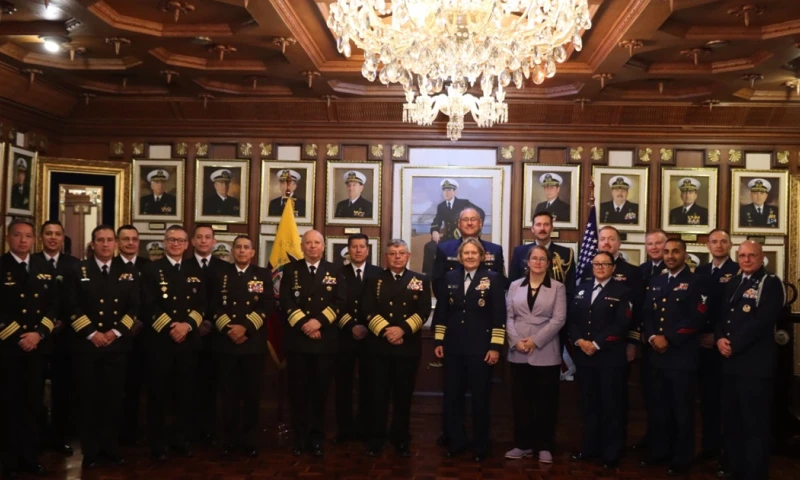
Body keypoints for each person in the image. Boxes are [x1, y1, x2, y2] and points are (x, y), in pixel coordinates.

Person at [66, 224, 139, 470]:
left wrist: (115, 332)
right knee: (89, 400)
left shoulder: (127, 271)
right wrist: (92, 333)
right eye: (101, 240)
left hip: (116, 346)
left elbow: (134, 308)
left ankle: (111, 448)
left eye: (110, 240)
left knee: (113, 399)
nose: (106, 244)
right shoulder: (79, 270)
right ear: (93, 244)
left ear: (116, 244)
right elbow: (71, 307)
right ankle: (91, 451)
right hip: (88, 346)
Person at [431, 206, 506, 445]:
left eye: (475, 253)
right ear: (460, 257)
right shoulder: (451, 278)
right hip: (454, 346)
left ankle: (481, 443)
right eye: (466, 254)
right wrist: (439, 340)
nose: (470, 257)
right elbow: (443, 310)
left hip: (480, 348)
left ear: (482, 256)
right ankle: (455, 440)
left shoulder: (493, 279)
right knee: (452, 396)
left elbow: (498, 314)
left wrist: (495, 346)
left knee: (481, 398)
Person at [715, 240, 783, 480]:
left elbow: (761, 322)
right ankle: (736, 467)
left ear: (761, 256)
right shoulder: (733, 283)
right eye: (742, 255)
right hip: (731, 364)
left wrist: (733, 344)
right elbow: (722, 317)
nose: (746, 260)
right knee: (732, 420)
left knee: (755, 423)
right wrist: (720, 339)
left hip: (755, 366)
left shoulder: (771, 283)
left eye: (751, 255)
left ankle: (755, 472)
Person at [640, 239, 706, 476]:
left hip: (681, 357)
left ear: (684, 254)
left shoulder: (695, 281)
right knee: (658, 408)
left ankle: (682, 458)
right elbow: (646, 314)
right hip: (656, 356)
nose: (669, 256)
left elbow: (696, 318)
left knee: (682, 410)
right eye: (666, 252)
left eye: (675, 251)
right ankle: (660, 452)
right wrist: (651, 337)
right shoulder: (656, 281)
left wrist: (667, 338)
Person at [140, 226, 206, 460]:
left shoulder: (194, 270)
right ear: (164, 243)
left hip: (188, 342)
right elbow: (147, 305)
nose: (176, 244)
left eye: (180, 240)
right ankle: (158, 443)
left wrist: (187, 326)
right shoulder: (151, 269)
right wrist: (172, 327)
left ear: (187, 244)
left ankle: (181, 439)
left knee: (185, 394)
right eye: (171, 240)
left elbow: (202, 304)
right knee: (158, 395)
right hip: (161, 342)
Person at [0, 219, 58, 478]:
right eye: (18, 236)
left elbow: (54, 306)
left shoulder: (44, 267)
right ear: (8, 238)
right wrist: (19, 337)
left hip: (36, 347)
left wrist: (39, 334)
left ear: (34, 240)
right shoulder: (1, 266)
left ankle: (29, 456)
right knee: (8, 402)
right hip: (8, 348)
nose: (23, 241)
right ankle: (7, 459)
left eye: (27, 236)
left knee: (33, 404)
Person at [362, 239, 431, 458]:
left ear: (408, 255)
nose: (397, 257)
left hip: (407, 347)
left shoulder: (419, 280)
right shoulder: (374, 280)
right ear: (386, 257)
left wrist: (401, 330)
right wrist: (387, 331)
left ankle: (400, 438)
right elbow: (367, 309)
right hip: (379, 347)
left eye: (401, 253)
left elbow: (423, 311)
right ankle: (376, 438)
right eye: (393, 253)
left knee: (403, 396)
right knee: (378, 395)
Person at [280, 230, 345, 457]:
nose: (313, 246)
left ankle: (317, 438)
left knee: (319, 394)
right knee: (297, 393)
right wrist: (305, 325)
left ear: (323, 246)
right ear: (302, 245)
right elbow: (286, 301)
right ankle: (299, 438)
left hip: (324, 343)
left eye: (317, 243)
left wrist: (318, 323)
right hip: (298, 342)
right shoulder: (290, 269)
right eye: (308, 243)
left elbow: (340, 302)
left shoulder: (336, 270)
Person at [504, 245, 567, 464]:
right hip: (518, 351)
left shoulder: (557, 287)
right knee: (521, 401)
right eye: (534, 258)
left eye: (543, 259)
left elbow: (559, 319)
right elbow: (508, 317)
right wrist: (515, 341)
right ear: (527, 262)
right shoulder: (514, 286)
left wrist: (535, 341)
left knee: (545, 402)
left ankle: (545, 446)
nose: (538, 262)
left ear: (548, 264)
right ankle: (523, 444)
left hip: (545, 351)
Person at [568, 251, 631, 469]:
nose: (600, 267)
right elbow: (572, 320)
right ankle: (589, 448)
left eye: (605, 264)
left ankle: (610, 452)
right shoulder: (582, 288)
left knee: (610, 406)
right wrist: (578, 341)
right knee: (589, 405)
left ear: (614, 267)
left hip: (609, 358)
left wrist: (596, 344)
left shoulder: (622, 291)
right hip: (584, 358)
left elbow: (622, 325)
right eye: (596, 264)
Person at [211, 235, 272, 456]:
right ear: (232, 251)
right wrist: (231, 329)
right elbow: (214, 305)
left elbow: (267, 306)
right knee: (228, 395)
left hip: (252, 344)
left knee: (251, 395)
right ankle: (230, 440)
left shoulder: (262, 274)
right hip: (227, 343)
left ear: (253, 252)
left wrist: (245, 328)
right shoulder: (221, 274)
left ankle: (250, 441)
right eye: (238, 247)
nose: (242, 251)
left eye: (247, 248)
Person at [34, 220, 80, 456]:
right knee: (33, 390)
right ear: (41, 237)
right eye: (49, 233)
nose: (53, 238)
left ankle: (59, 437)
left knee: (63, 390)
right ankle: (35, 437)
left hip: (66, 336)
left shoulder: (73, 265)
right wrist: (45, 325)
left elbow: (79, 299)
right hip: (36, 337)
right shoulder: (32, 262)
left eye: (58, 234)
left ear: (64, 238)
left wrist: (64, 321)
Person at [693, 229, 738, 467]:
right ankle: (709, 446)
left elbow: (733, 312)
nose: (718, 245)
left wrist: (717, 336)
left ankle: (726, 451)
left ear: (730, 245)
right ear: (707, 245)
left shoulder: (737, 271)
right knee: (707, 400)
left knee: (726, 401)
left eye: (723, 241)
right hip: (700, 344)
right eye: (714, 241)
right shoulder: (700, 271)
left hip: (723, 344)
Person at [333, 234, 381, 444]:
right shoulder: (337, 273)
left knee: (370, 384)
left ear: (368, 250)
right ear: (348, 250)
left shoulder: (379, 273)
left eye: (362, 247)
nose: (358, 250)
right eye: (354, 247)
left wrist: (367, 326)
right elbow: (334, 304)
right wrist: (352, 326)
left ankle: (365, 428)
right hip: (345, 336)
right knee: (343, 385)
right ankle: (344, 430)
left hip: (372, 337)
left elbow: (382, 305)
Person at [187, 224, 226, 445]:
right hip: (189, 334)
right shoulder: (183, 265)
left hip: (215, 335)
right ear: (192, 241)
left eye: (207, 237)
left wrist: (210, 321)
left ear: (214, 242)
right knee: (188, 384)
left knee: (212, 385)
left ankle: (209, 430)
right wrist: (196, 322)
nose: (203, 241)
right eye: (199, 237)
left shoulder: (224, 267)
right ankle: (189, 430)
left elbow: (224, 299)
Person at [632, 229, 668, 452]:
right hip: (646, 341)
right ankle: (652, 437)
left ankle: (664, 442)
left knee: (667, 396)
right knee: (650, 393)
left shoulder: (674, 270)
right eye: (650, 244)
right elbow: (638, 307)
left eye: (659, 243)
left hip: (669, 343)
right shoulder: (641, 271)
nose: (654, 247)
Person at [114, 225, 149, 446]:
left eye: (134, 239)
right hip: (115, 336)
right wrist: (124, 325)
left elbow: (152, 299)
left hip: (142, 337)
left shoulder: (149, 267)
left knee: (135, 387)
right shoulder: (111, 265)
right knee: (114, 387)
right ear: (118, 242)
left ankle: (131, 433)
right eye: (125, 239)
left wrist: (141, 321)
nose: (130, 243)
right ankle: (112, 434)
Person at [509, 211, 575, 291]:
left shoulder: (566, 253)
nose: (542, 228)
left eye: (546, 225)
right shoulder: (519, 252)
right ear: (532, 229)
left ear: (552, 228)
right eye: (538, 225)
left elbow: (570, 287)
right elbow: (513, 283)